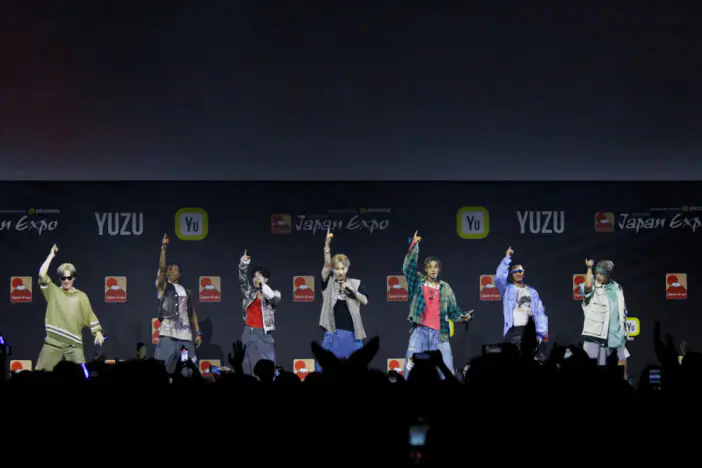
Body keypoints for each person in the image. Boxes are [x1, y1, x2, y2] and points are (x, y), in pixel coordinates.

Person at [403, 231, 472, 377]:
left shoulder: (445, 287)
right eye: (430, 267)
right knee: (410, 370)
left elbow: (453, 311)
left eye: (436, 267)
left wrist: (463, 316)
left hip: (440, 334)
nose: (433, 269)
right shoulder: (417, 282)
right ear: (426, 269)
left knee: (446, 372)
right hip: (420, 332)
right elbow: (408, 268)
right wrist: (414, 246)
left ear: (439, 269)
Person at [36, 244, 105, 371]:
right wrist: (51, 256)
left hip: (74, 344)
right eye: (63, 278)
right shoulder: (53, 291)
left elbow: (90, 315)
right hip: (53, 342)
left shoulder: (81, 296)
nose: (66, 280)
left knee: (81, 375)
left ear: (74, 278)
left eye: (69, 277)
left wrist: (98, 333)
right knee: (41, 375)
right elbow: (41, 274)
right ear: (60, 279)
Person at [318, 229, 370, 365]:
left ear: (347, 269)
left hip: (353, 334)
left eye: (343, 268)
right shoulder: (328, 283)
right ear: (333, 270)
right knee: (326, 368)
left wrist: (353, 292)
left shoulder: (357, 283)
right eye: (337, 269)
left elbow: (365, 301)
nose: (340, 272)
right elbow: (326, 265)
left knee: (356, 369)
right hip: (332, 333)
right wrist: (327, 246)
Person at [155, 233, 202, 374]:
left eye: (175, 270)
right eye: (170, 269)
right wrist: (163, 248)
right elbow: (162, 269)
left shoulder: (186, 291)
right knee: (163, 371)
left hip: (185, 339)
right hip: (168, 336)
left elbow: (191, 312)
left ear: (180, 274)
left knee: (186, 371)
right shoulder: (163, 287)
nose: (171, 271)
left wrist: (197, 332)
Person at [494, 246, 548, 356]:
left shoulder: (532, 292)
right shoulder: (507, 289)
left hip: (529, 331)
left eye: (520, 271)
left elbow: (539, 313)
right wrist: (507, 258)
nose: (518, 273)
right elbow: (499, 278)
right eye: (515, 271)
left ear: (523, 272)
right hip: (513, 331)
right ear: (511, 274)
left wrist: (539, 335)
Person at [238, 249, 282, 375]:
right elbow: (242, 281)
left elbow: (273, 298)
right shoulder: (249, 293)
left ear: (265, 279)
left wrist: (263, 285)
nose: (255, 279)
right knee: (247, 364)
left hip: (263, 333)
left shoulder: (274, 294)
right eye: (254, 276)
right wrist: (243, 264)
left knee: (267, 364)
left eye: (259, 276)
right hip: (248, 332)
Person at [579, 258, 628, 366]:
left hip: (614, 337)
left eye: (601, 273)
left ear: (608, 274)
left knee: (619, 366)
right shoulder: (593, 287)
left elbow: (622, 311)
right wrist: (589, 268)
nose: (598, 276)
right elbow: (587, 286)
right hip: (595, 338)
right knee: (589, 368)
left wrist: (623, 333)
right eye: (596, 273)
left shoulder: (617, 287)